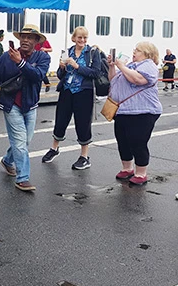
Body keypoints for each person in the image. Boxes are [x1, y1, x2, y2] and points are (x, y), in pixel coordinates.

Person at [0, 24, 51, 191]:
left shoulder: (42, 58)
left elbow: (38, 76)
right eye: (23, 37)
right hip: (11, 105)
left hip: (30, 105)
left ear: (35, 41)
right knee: (20, 142)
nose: (25, 40)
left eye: (30, 37)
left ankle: (7, 160)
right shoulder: (6, 57)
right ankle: (22, 178)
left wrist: (20, 63)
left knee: (25, 141)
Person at [41, 27, 101, 170]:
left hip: (83, 92)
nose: (82, 40)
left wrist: (77, 66)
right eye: (79, 37)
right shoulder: (67, 52)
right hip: (67, 91)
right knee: (61, 120)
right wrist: (61, 68)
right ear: (74, 38)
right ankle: (54, 148)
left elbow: (96, 73)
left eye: (85, 38)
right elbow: (61, 75)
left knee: (83, 123)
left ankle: (84, 156)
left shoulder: (92, 53)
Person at [109, 41, 162, 186]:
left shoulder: (148, 65)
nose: (134, 52)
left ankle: (141, 173)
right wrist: (112, 66)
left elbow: (138, 79)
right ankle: (127, 168)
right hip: (123, 110)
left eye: (137, 50)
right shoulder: (129, 66)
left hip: (143, 111)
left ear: (147, 53)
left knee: (138, 142)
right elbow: (113, 80)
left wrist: (121, 66)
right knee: (123, 141)